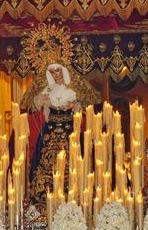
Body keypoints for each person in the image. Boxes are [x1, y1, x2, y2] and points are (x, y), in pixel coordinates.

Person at [21, 61, 100, 209]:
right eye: (52, 72)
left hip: (68, 128)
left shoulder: (73, 88)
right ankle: (43, 197)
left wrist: (72, 105)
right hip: (50, 128)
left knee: (71, 159)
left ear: (63, 70)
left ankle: (72, 194)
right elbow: (36, 104)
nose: (55, 74)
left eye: (57, 71)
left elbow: (82, 106)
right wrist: (43, 101)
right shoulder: (49, 88)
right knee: (45, 160)